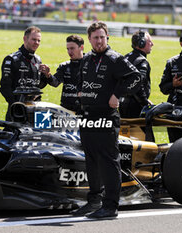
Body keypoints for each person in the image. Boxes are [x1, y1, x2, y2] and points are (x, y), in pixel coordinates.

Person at [73, 22, 141, 219]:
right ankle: (94, 201)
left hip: (107, 117)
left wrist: (117, 94)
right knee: (91, 159)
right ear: (89, 39)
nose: (100, 41)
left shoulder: (115, 58)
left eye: (102, 37)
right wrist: (80, 92)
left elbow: (135, 77)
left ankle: (110, 206)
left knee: (109, 161)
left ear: (107, 37)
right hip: (88, 116)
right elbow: (81, 80)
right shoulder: (86, 59)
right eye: (96, 37)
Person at [0, 26, 50, 121]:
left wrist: (46, 76)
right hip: (18, 110)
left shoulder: (38, 60)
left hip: (37, 107)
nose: (37, 43)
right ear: (25, 39)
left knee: (41, 135)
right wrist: (16, 105)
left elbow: (39, 85)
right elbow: (4, 87)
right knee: (15, 135)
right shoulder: (11, 59)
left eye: (39, 40)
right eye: (34, 39)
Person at [39, 35, 84, 112]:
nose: (69, 52)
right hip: (66, 109)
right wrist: (48, 75)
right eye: (68, 49)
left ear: (81, 47)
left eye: (72, 48)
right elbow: (55, 83)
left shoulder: (90, 65)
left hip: (84, 109)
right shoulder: (64, 66)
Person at [119, 30, 153, 118]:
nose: (152, 44)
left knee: (126, 131)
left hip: (122, 103)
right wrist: (145, 102)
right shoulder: (142, 61)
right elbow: (138, 85)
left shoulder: (125, 57)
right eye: (149, 41)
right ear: (142, 43)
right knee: (140, 131)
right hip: (135, 107)